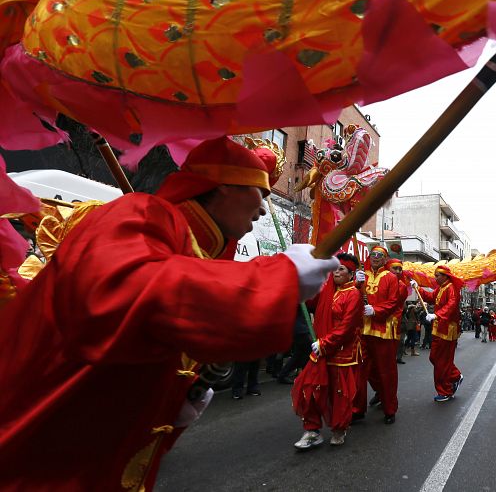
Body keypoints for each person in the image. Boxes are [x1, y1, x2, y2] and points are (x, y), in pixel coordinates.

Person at [0, 137, 338, 490]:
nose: (264, 210)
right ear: (223, 186)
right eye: (261, 193)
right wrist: (274, 277)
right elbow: (123, 295)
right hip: (30, 456)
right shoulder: (141, 212)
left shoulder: (194, 249)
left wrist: (171, 400)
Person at [294, 253, 364, 449]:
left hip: (342, 353)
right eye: (335, 268)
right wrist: (301, 285)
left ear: (351, 274)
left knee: (339, 394)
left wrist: (325, 343)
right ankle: (312, 430)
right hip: (321, 350)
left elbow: (347, 327)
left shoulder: (353, 295)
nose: (336, 272)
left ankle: (339, 428)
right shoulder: (327, 290)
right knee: (309, 387)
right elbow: (309, 302)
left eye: (341, 269)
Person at [354, 245, 400, 424]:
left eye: (379, 255)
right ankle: (357, 409)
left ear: (385, 259)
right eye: (372, 254)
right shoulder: (361, 275)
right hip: (362, 331)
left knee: (386, 372)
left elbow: (394, 302)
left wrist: (376, 310)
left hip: (382, 331)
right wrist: (355, 284)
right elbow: (349, 296)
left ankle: (390, 409)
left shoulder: (391, 278)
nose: (375, 257)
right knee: (359, 371)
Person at [412, 265, 463, 402]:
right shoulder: (440, 288)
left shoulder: (451, 288)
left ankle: (446, 390)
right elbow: (429, 297)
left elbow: (451, 305)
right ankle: (455, 375)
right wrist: (418, 289)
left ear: (445, 276)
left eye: (437, 275)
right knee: (435, 358)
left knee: (441, 360)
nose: (435, 278)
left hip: (446, 329)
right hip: (438, 327)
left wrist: (437, 315)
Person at [387, 258, 410, 365]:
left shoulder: (402, 286)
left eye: (399, 269)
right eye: (394, 268)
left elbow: (393, 303)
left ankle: (397, 357)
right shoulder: (379, 280)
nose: (397, 271)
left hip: (392, 322)